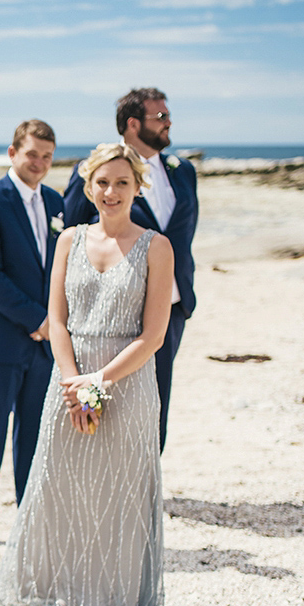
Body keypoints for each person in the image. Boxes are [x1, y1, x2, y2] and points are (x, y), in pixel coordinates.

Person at [0, 142, 173, 606]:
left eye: (122, 182)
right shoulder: (69, 240)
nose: (111, 191)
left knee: (118, 489)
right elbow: (57, 320)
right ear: (87, 185)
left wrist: (98, 382)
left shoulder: (156, 247)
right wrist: (74, 382)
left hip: (126, 382)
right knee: (61, 481)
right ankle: (54, 590)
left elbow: (153, 335)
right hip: (68, 376)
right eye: (102, 182)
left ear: (138, 187)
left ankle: (112, 603)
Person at [62, 87, 197, 451]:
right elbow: (74, 237)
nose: (169, 123)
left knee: (156, 396)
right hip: (115, 310)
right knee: (107, 398)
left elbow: (181, 239)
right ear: (134, 123)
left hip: (172, 304)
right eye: (161, 117)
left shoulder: (183, 171)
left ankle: (148, 470)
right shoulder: (93, 173)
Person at [0, 119, 64, 554]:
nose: (39, 163)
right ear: (12, 153)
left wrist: (54, 323)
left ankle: (31, 513)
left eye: (47, 156)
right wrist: (37, 319)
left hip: (45, 342)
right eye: (32, 154)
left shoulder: (58, 202)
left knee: (34, 433)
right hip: (1, 338)